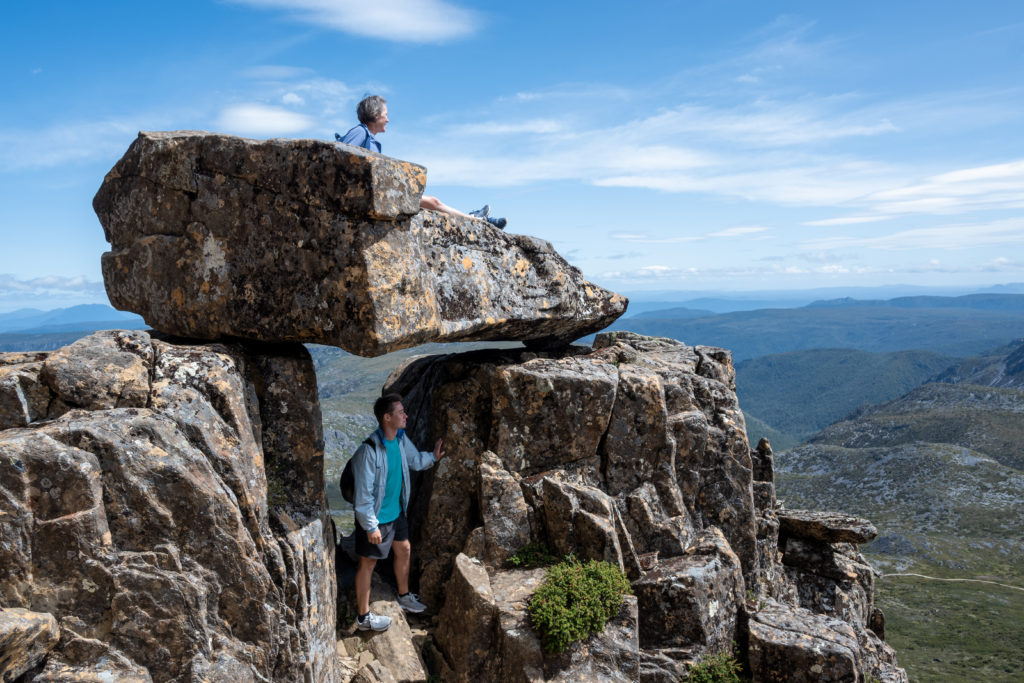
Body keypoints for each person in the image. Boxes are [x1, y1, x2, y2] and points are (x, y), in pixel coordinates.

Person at [337, 95, 508, 229]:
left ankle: (475, 219)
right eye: (386, 114)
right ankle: (476, 219)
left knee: (432, 205)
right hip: (374, 196)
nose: (388, 119)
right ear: (375, 115)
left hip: (381, 194)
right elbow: (341, 155)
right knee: (433, 203)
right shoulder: (360, 131)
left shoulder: (369, 137)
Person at [350, 392, 445, 631]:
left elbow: (413, 461)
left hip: (396, 512)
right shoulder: (368, 451)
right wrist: (371, 527)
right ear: (387, 417)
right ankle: (363, 618)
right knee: (368, 564)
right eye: (400, 412)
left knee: (404, 549)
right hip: (375, 519)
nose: (406, 415)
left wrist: (432, 457)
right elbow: (363, 497)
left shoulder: (401, 439)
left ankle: (404, 596)